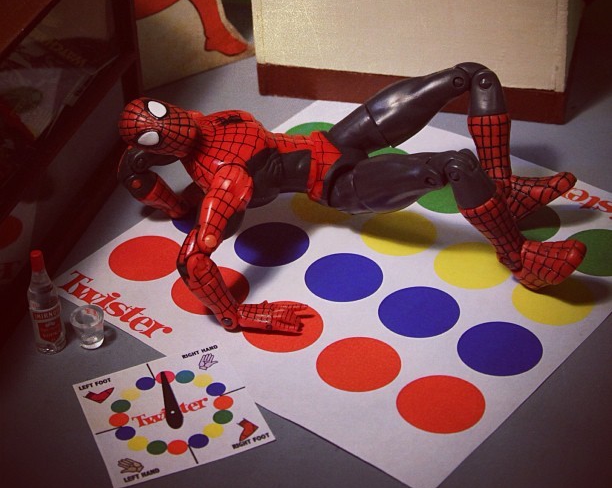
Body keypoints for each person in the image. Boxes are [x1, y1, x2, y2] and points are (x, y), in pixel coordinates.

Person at [118, 62, 586, 332]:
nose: (171, 123)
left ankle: (502, 189)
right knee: (455, 165)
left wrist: (169, 199)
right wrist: (236, 314)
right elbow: (192, 260)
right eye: (158, 134)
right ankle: (518, 256)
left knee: (473, 75)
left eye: (162, 113)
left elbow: (135, 166)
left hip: (335, 138)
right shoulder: (227, 179)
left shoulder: (203, 121)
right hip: (338, 183)